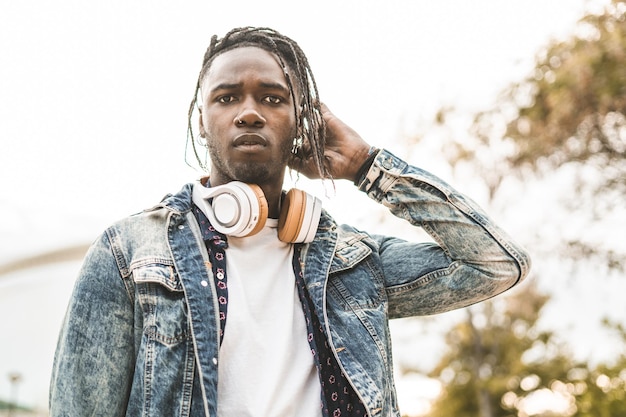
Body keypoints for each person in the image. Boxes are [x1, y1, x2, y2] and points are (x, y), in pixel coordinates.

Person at [49, 27, 531, 417]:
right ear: (201, 120)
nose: (250, 113)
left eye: (273, 98)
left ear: (301, 121)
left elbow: (497, 264)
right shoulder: (127, 253)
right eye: (227, 97)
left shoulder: (353, 263)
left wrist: (365, 166)